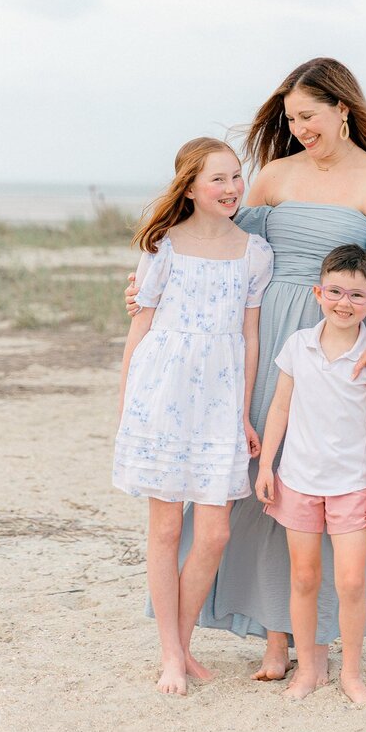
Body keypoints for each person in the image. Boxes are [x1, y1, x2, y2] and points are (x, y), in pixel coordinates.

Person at [125, 58, 366, 682]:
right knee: (264, 485)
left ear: (343, 108)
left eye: (309, 116)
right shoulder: (273, 178)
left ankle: (322, 633)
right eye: (291, 119)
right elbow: (218, 241)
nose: (299, 128)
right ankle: (273, 636)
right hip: (259, 347)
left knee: (333, 476)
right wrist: (148, 286)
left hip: (337, 343)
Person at [113, 138, 273, 695]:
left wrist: (247, 413)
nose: (231, 189)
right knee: (164, 527)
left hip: (222, 399)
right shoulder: (164, 247)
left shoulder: (255, 252)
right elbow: (142, 324)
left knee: (214, 531)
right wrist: (126, 397)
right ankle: (173, 656)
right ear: (190, 186)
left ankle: (180, 643)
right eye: (218, 180)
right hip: (163, 391)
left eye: (236, 177)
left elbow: (250, 336)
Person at [257, 245, 366, 704]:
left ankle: (351, 674)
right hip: (297, 481)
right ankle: (309, 670)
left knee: (352, 581)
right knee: (304, 577)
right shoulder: (298, 345)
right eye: (334, 292)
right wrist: (265, 465)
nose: (343, 303)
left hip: (353, 486)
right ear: (318, 293)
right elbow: (279, 407)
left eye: (356, 295)